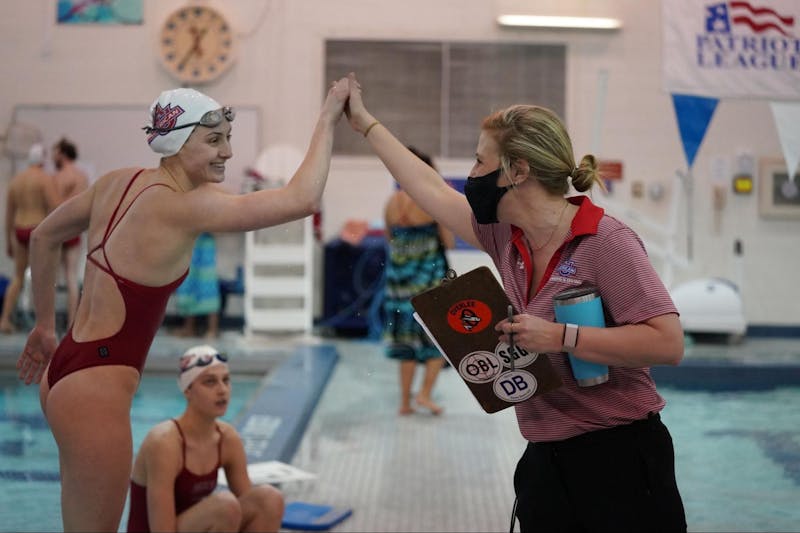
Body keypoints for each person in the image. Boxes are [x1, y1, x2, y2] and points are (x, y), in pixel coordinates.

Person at [344, 73, 687, 532]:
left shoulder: (605, 241)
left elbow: (668, 343)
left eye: (479, 161)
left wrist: (560, 336)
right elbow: (428, 187)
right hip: (546, 459)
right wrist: (365, 124)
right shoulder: (506, 238)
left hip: (621, 458)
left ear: (518, 170)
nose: (471, 175)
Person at [16, 79, 350, 532]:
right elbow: (302, 200)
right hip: (96, 388)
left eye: (227, 138)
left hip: (65, 372)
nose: (227, 152)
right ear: (177, 141)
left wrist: (43, 326)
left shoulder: (117, 181)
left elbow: (43, 236)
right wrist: (328, 117)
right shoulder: (188, 205)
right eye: (213, 140)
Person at [127, 345, 284, 532]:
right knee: (225, 507)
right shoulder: (164, 443)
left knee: (269, 499)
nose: (222, 390)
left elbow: (249, 506)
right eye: (210, 382)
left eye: (226, 380)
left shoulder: (227, 439)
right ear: (187, 390)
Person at [382, 146, 454, 415]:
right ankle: (424, 394)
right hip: (428, 283)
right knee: (437, 340)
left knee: (406, 343)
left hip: (399, 285)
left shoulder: (392, 203)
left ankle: (404, 403)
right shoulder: (431, 202)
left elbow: (389, 239)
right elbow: (448, 242)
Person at [1, 144, 58, 333]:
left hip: (19, 230)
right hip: (37, 229)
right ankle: (42, 324)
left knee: (18, 277)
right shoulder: (44, 179)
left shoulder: (16, 180)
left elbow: (8, 215)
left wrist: (8, 241)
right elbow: (56, 207)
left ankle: (4, 319)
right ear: (42, 159)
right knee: (42, 278)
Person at [51, 137, 90, 329]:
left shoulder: (58, 177)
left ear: (62, 154)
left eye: (55, 153)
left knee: (52, 277)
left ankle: (48, 322)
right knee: (72, 277)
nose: (52, 157)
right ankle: (71, 322)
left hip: (59, 228)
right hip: (75, 228)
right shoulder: (82, 176)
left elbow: (54, 206)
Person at [173, 232, 221, 339]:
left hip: (205, 239)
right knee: (188, 281)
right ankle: (189, 327)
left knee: (208, 282)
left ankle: (213, 328)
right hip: (190, 239)